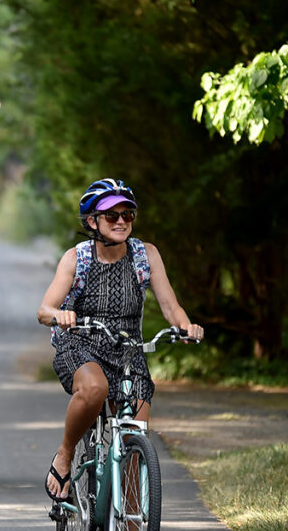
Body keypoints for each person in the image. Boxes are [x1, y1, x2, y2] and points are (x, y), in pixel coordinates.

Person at [36, 178, 203, 502]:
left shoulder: (145, 255)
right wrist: (60, 315)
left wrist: (185, 326)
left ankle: (132, 528)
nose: (122, 221)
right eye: (112, 216)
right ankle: (66, 454)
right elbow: (44, 310)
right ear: (92, 221)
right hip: (80, 343)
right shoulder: (77, 258)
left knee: (135, 437)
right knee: (95, 389)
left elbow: (170, 305)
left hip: (128, 350)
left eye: (128, 215)